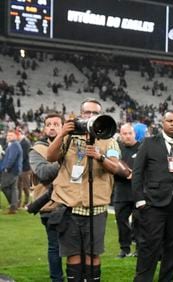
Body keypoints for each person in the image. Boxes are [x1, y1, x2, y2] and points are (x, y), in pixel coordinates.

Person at [46, 98, 122, 282]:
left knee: (93, 254)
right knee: (73, 254)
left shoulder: (109, 139)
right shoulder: (70, 136)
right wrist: (62, 132)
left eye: (95, 113)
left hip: (96, 207)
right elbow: (50, 156)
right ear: (81, 114)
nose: (90, 116)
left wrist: (99, 156)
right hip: (70, 206)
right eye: (87, 112)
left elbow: (116, 168)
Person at [132, 110, 173, 282]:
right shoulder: (148, 143)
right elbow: (137, 173)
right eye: (170, 121)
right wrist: (140, 200)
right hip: (153, 205)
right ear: (163, 122)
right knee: (149, 248)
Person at [29, 113, 64, 282]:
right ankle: (56, 279)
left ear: (63, 127)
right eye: (49, 124)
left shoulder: (71, 145)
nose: (52, 127)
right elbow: (43, 173)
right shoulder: (37, 149)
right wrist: (65, 160)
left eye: (56, 124)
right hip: (49, 205)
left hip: (73, 202)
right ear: (44, 128)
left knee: (78, 246)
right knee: (55, 246)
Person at [114, 123, 139, 258]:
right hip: (121, 190)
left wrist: (135, 174)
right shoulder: (116, 148)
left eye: (130, 133)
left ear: (134, 134)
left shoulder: (143, 148)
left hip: (138, 191)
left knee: (139, 221)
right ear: (120, 135)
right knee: (121, 220)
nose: (127, 136)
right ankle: (125, 248)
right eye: (124, 134)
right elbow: (111, 166)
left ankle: (139, 248)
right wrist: (124, 173)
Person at [0, 129, 23, 214]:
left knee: (4, 187)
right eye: (8, 135)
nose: (9, 137)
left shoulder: (14, 145)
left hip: (11, 170)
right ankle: (14, 206)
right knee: (13, 188)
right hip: (14, 170)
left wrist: (6, 168)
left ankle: (13, 205)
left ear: (16, 136)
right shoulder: (13, 144)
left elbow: (11, 158)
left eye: (11, 135)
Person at [17, 129, 32, 208]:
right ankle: (19, 203)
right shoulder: (21, 142)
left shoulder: (25, 143)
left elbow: (24, 156)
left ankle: (27, 202)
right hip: (21, 168)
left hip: (25, 168)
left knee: (25, 186)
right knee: (18, 186)